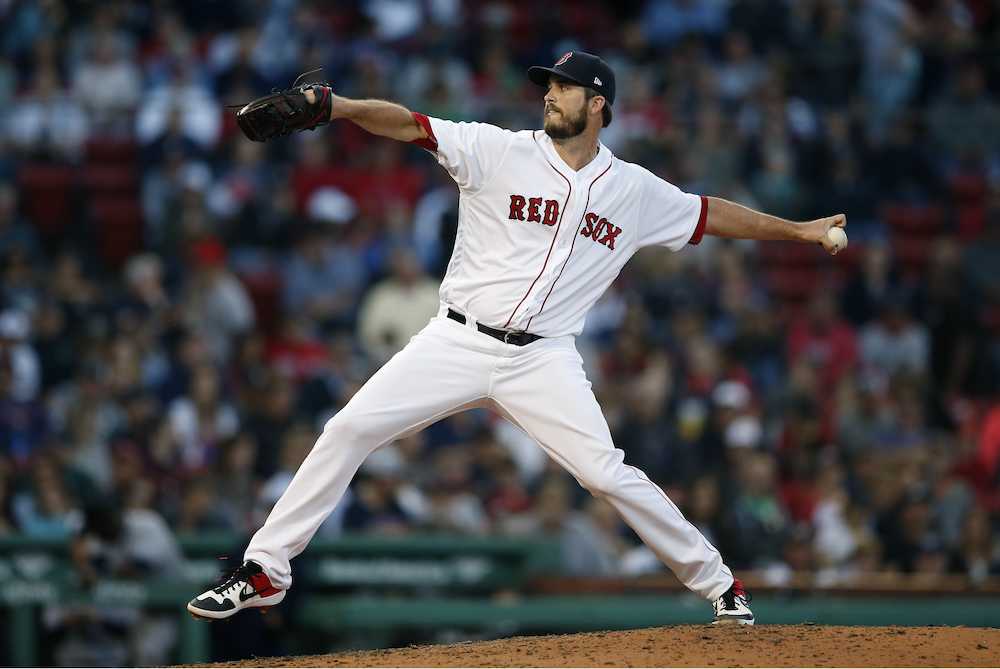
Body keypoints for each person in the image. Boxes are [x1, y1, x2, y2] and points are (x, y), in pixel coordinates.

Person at [189, 50, 848, 625]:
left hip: (544, 359)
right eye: (547, 86)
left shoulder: (633, 190)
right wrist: (337, 107)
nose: (549, 95)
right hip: (456, 340)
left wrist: (800, 231)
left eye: (563, 87)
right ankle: (265, 569)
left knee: (606, 473)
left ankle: (720, 584)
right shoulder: (498, 149)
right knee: (347, 429)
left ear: (598, 105)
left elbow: (709, 214)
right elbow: (410, 124)